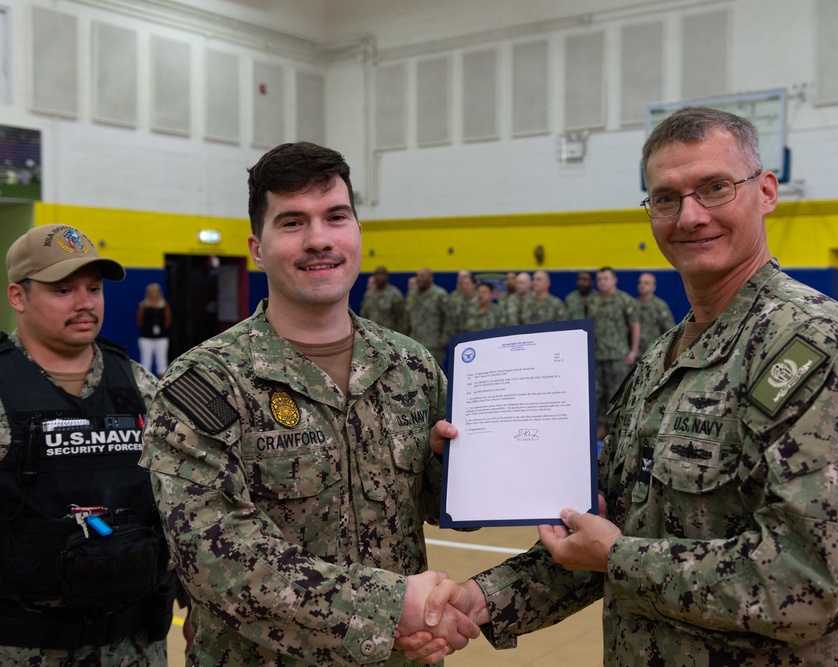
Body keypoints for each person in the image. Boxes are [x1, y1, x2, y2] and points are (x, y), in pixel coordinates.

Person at [402, 106, 838, 666]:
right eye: (666, 199)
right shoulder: (663, 362)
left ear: (766, 191)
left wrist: (619, 557)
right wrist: (481, 600)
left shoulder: (815, 350)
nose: (689, 216)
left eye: (715, 188)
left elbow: (810, 582)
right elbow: (611, 532)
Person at [139, 143, 479, 665]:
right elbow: (214, 559)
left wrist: (446, 462)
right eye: (293, 222)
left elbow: (441, 506)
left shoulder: (409, 366)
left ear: (358, 232)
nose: (320, 239)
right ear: (257, 247)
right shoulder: (206, 383)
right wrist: (389, 608)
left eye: (336, 217)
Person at [0, 224, 180, 665]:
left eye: (93, 289)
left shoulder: (141, 385)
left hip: (136, 645)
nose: (85, 303)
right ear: (18, 297)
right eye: (63, 290)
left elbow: (180, 503)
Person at [588, 266, 640, 440]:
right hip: (597, 355)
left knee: (616, 393)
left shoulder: (624, 300)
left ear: (614, 280)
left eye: (605, 278)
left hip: (618, 355)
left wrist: (633, 350)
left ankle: (616, 428)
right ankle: (602, 425)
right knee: (598, 393)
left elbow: (635, 325)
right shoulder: (592, 301)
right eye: (599, 279)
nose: (602, 282)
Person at [406, 267, 451, 367]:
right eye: (418, 275)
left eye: (423, 276)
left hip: (433, 345)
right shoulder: (412, 294)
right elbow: (406, 318)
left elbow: (448, 318)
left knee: (433, 376)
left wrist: (444, 340)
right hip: (414, 343)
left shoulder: (440, 294)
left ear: (430, 278)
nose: (419, 278)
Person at [136, 282, 172, 378]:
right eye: (151, 291)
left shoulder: (165, 305)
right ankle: (145, 386)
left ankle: (162, 386)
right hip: (146, 338)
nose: (154, 293)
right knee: (146, 362)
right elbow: (139, 321)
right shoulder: (143, 305)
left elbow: (168, 321)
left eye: (156, 291)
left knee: (162, 362)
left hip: (161, 338)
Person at [635, 272, 675, 355]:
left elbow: (669, 330)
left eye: (646, 283)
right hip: (636, 354)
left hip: (654, 353)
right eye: (640, 282)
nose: (642, 285)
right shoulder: (633, 304)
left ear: (653, 287)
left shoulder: (660, 306)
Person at [360, 265, 407, 333]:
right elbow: (363, 316)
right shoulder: (368, 294)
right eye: (377, 274)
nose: (379, 277)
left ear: (387, 276)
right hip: (372, 335)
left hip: (390, 336)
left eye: (381, 274)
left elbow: (402, 318)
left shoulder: (394, 294)